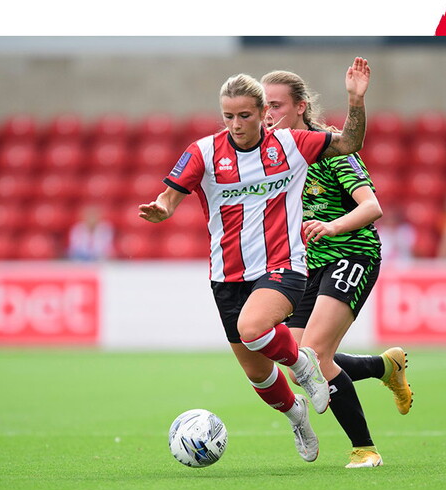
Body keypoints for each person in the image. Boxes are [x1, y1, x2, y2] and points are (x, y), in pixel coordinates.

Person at [138, 58, 372, 463]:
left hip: (283, 264)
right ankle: (297, 415)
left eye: (244, 115)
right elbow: (169, 197)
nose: (235, 124)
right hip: (227, 275)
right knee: (258, 373)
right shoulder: (203, 152)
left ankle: (303, 366)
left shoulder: (292, 145)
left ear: (264, 113)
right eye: (228, 116)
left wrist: (355, 100)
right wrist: (162, 209)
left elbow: (349, 143)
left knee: (252, 328)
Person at [261, 69, 413, 468]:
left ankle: (365, 449)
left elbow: (372, 207)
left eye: (275, 105)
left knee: (314, 353)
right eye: (264, 106)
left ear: (300, 107)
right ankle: (385, 366)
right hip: (310, 265)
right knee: (299, 365)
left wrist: (331, 226)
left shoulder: (330, 149)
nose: (267, 114)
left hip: (352, 253)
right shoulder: (271, 157)